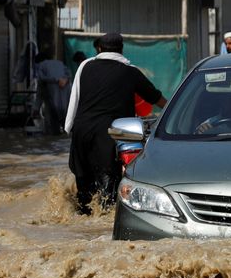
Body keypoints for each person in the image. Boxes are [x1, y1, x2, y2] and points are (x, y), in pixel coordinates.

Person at [65, 33, 167, 214]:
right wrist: (173, 111)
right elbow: (155, 97)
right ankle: (104, 227)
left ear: (99, 49)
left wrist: (69, 128)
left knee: (84, 187)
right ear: (121, 49)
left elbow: (75, 98)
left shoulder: (85, 66)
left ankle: (81, 226)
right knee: (109, 189)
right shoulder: (130, 71)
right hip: (110, 135)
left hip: (82, 131)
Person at [34, 50, 71, 135]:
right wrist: (64, 79)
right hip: (66, 104)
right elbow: (69, 74)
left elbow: (40, 91)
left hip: (52, 103)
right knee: (67, 127)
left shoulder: (41, 66)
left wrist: (36, 109)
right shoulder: (60, 63)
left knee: (52, 129)